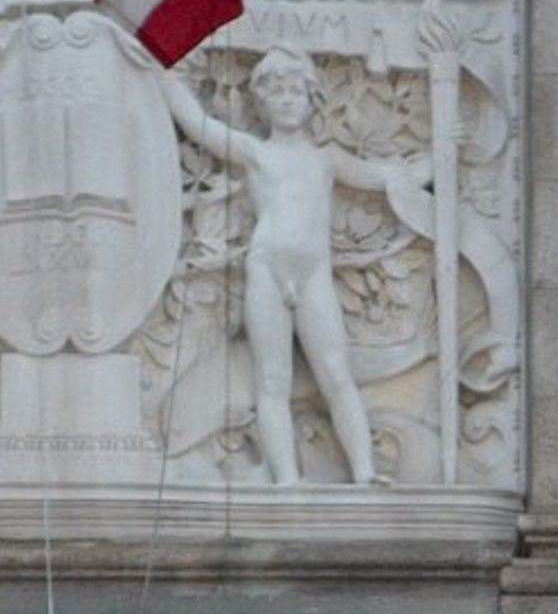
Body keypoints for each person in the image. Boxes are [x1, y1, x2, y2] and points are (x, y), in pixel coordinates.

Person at [163, 48, 425, 490]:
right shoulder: (256, 153)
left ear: (311, 98)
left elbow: (386, 176)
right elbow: (199, 126)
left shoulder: (326, 159)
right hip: (267, 268)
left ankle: (363, 471)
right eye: (276, 91)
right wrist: (158, 68)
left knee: (336, 373)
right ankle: (287, 479)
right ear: (261, 101)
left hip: (313, 273)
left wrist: (445, 151)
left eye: (295, 91)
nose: (286, 100)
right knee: (272, 379)